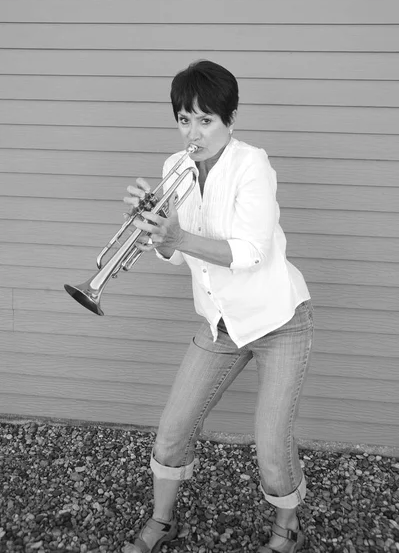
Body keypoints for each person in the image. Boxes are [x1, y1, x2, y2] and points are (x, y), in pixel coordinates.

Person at [123, 60, 314, 553]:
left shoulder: (253, 164)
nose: (193, 131)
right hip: (220, 324)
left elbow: (251, 251)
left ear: (230, 119)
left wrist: (177, 233)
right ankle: (162, 522)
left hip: (279, 322)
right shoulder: (174, 168)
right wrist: (156, 234)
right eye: (184, 119)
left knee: (272, 449)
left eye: (205, 120)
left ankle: (287, 527)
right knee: (170, 433)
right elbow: (174, 254)